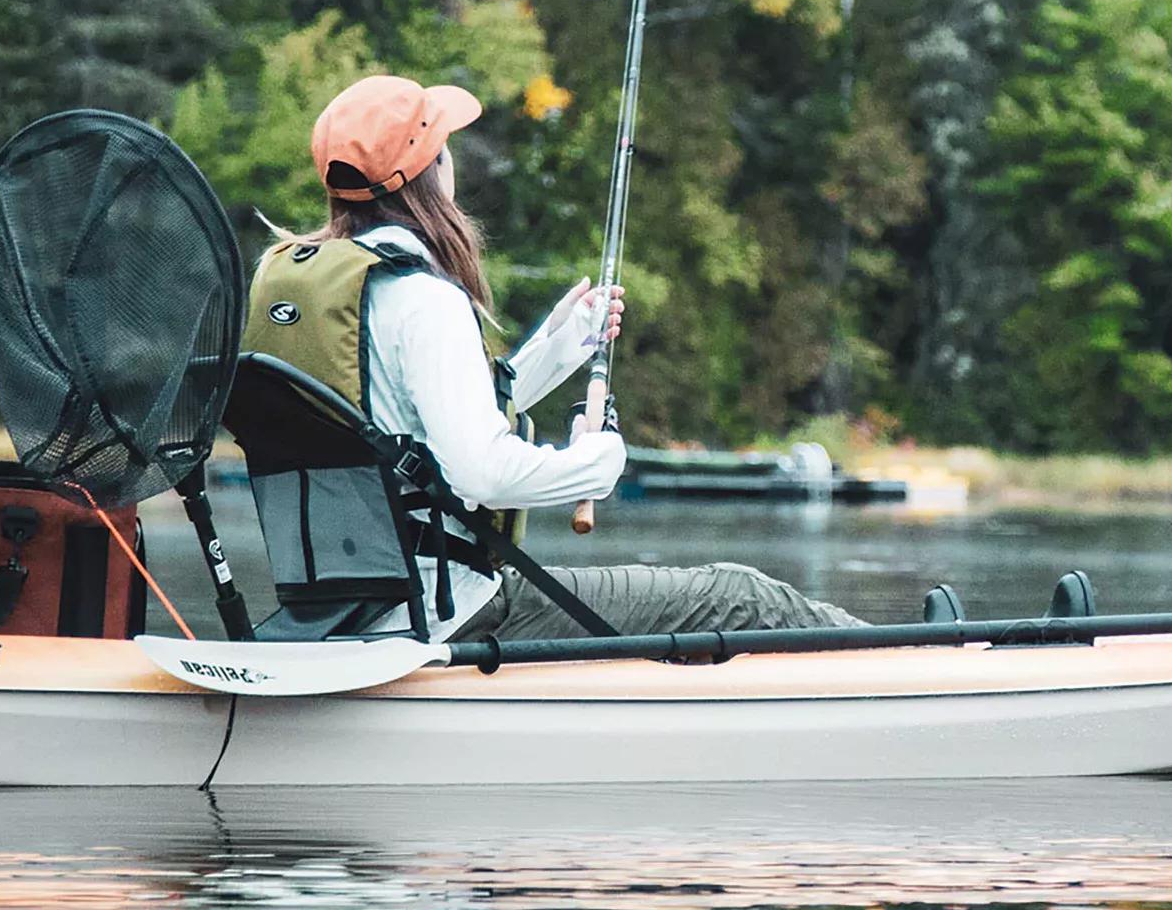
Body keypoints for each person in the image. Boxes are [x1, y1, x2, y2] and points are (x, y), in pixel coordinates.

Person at [251, 72, 864, 643]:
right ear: (431, 171)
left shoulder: (314, 287)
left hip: (331, 611)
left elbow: (404, 428)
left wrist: (561, 344)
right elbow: (480, 474)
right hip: (447, 611)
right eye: (445, 145)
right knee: (743, 596)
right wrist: (595, 464)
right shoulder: (422, 299)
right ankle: (919, 657)